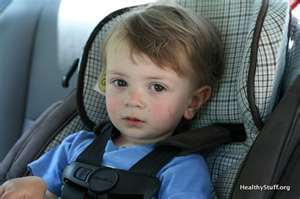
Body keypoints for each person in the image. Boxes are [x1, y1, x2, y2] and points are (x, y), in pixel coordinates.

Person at [0, 2, 223, 199]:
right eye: (120, 83)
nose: (133, 100)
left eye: (157, 87)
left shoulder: (182, 170)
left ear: (193, 102)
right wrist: (35, 189)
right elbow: (46, 191)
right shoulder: (75, 146)